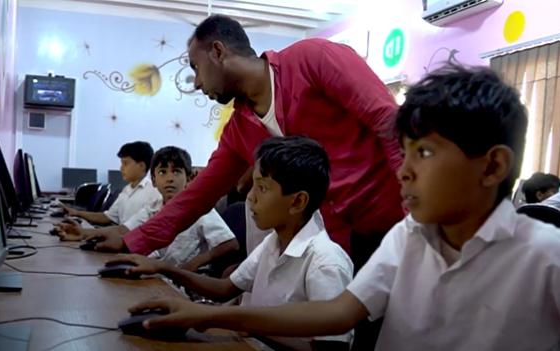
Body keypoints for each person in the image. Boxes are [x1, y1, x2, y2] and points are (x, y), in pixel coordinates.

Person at [119, 65, 560, 351]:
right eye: (404, 152)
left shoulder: (555, 257)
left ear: (492, 166)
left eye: (425, 153)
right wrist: (210, 315)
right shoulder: (410, 239)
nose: (402, 169)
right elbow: (338, 313)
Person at [89, 14, 404, 274]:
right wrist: (132, 241)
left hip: (397, 225)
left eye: (195, 68)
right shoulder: (239, 128)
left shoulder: (313, 59)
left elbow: (389, 123)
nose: (196, 84)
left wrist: (417, 220)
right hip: (337, 246)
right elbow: (197, 196)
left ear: (218, 51)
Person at [108, 136, 353, 349]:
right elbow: (226, 288)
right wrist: (163, 268)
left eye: (262, 188)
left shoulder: (325, 262)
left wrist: (231, 320)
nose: (250, 197)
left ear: (297, 202)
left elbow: (331, 348)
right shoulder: (273, 243)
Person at [59, 146, 238, 272]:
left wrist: (193, 265)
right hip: (159, 272)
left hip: (185, 279)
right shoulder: (153, 207)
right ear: (153, 181)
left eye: (176, 172)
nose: (170, 178)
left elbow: (229, 244)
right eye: (162, 172)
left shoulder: (200, 210)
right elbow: (123, 229)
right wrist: (84, 233)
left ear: (189, 178)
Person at [62, 141, 160, 226]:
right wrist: (77, 213)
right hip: (120, 238)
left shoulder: (153, 192)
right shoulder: (126, 189)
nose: (121, 168)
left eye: (125, 163)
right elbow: (107, 217)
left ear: (141, 166)